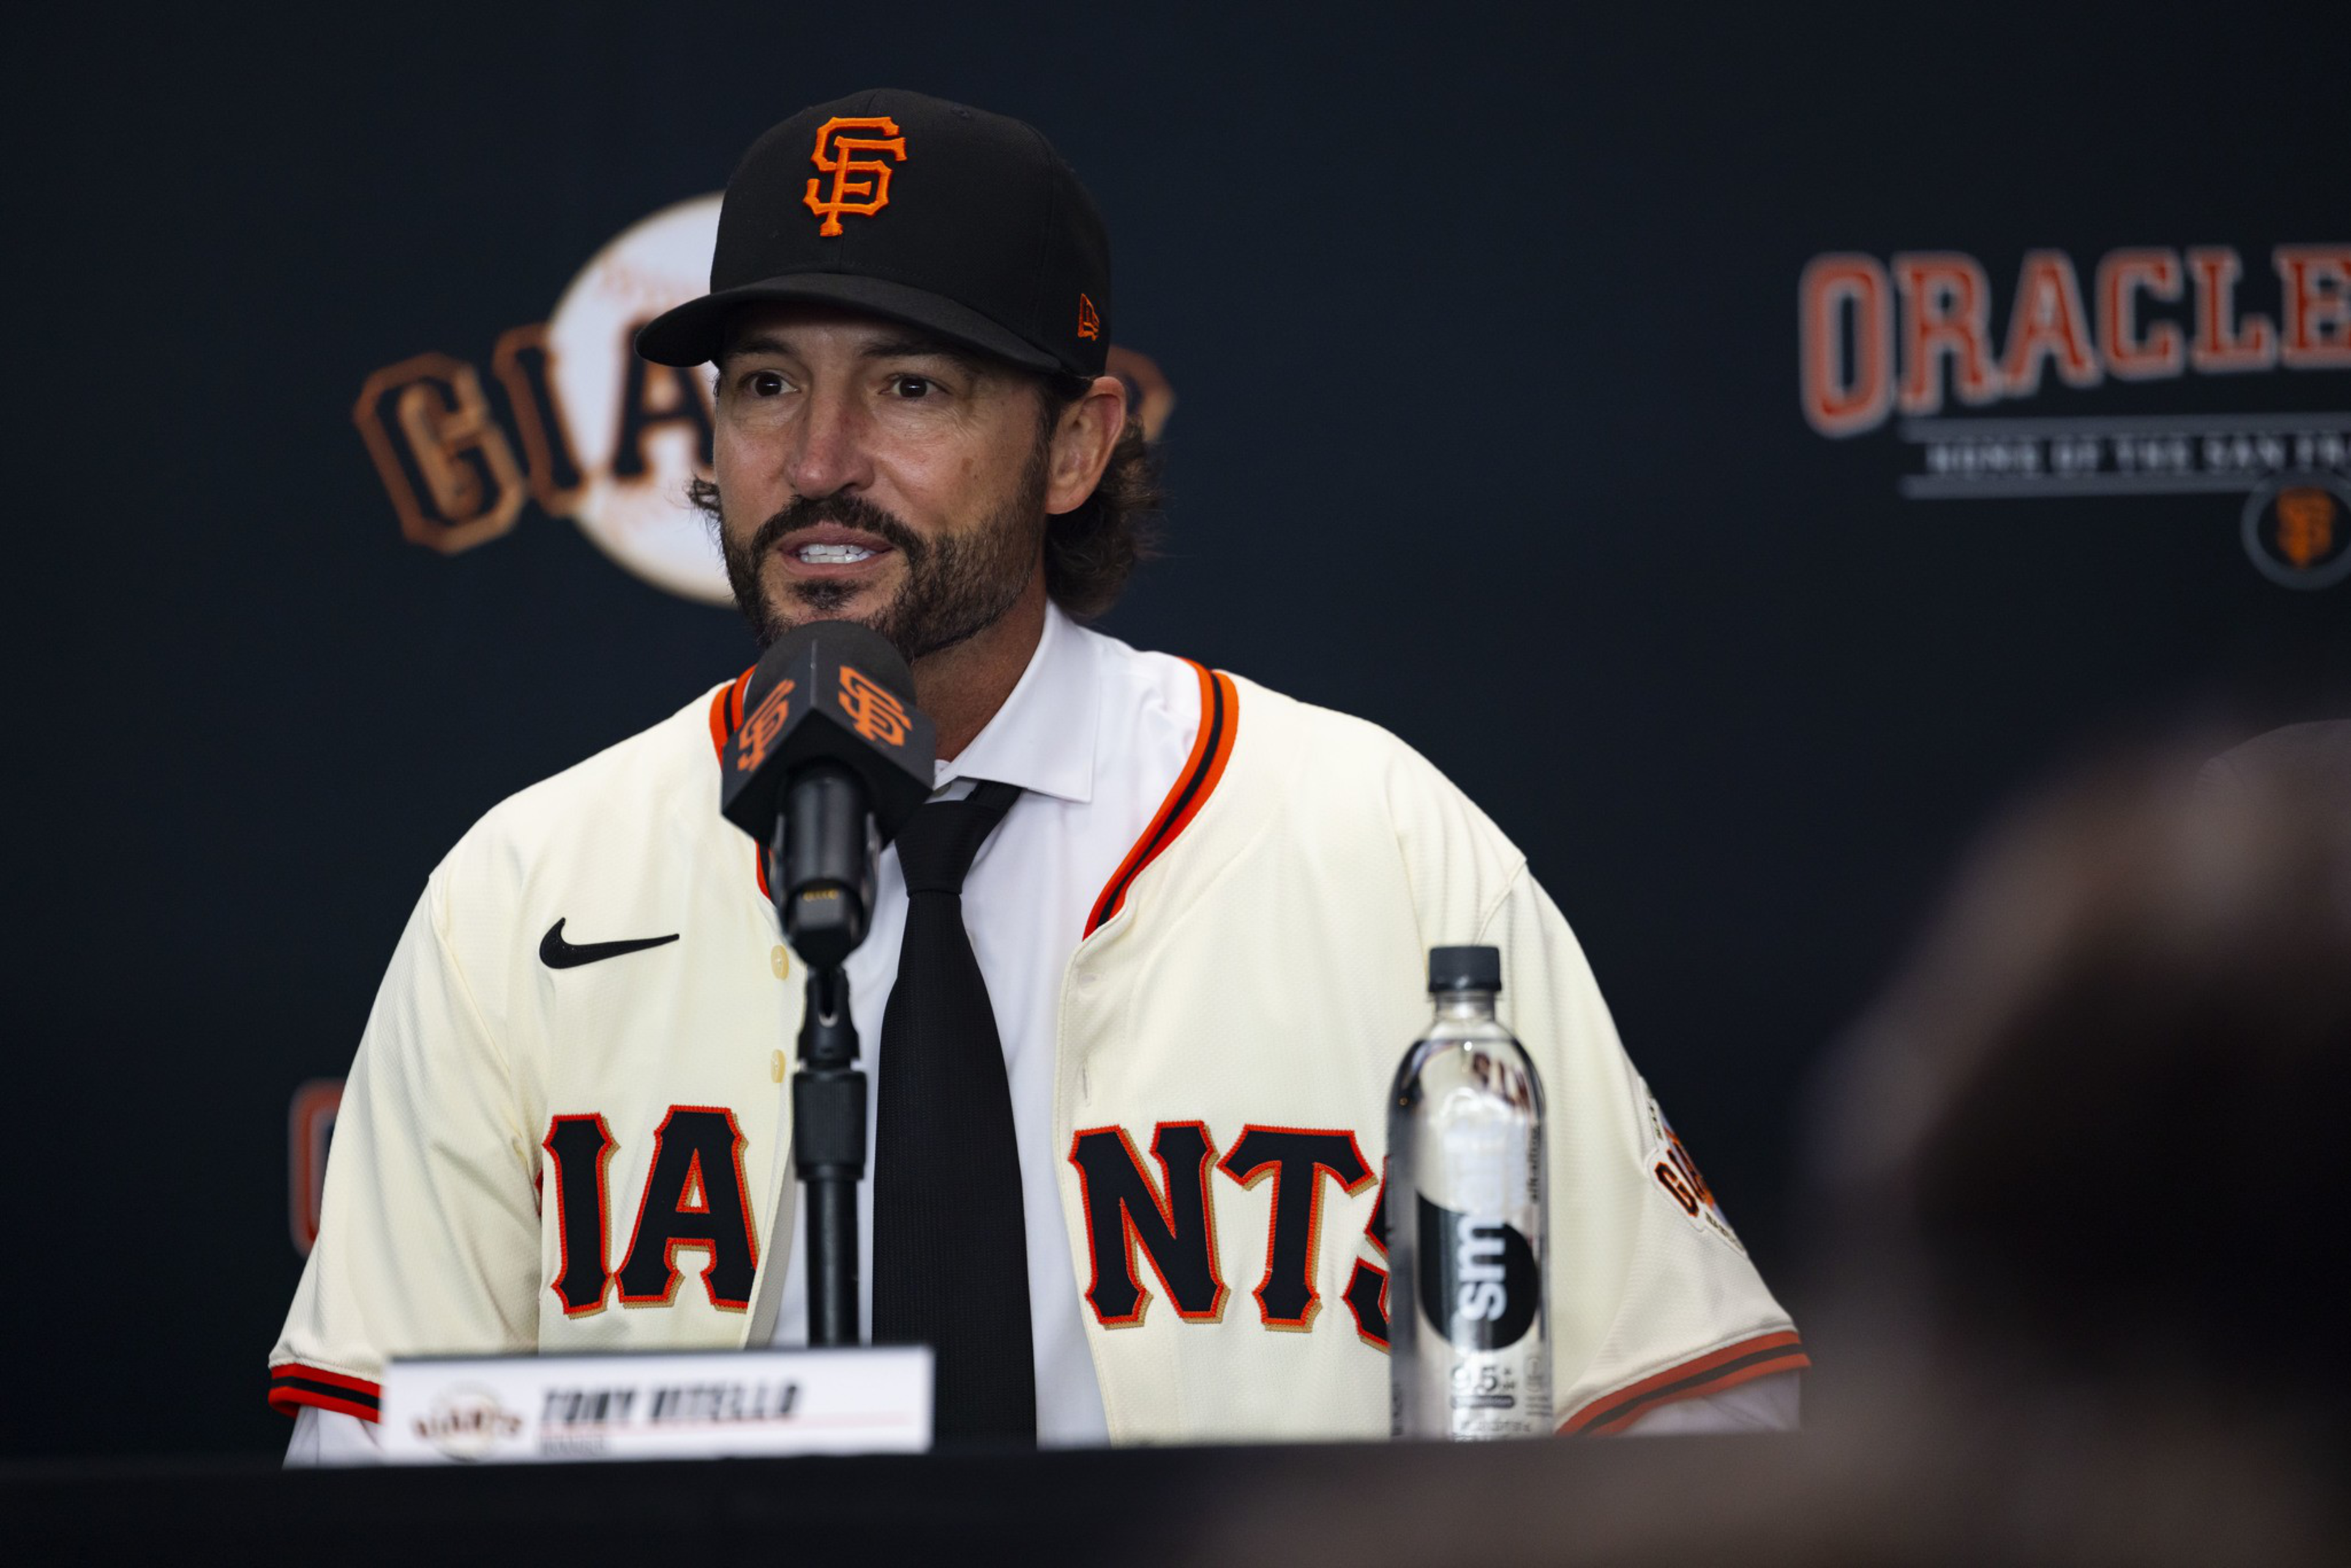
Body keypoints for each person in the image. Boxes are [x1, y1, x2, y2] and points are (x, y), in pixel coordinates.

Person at [270, 88, 1802, 1461]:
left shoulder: (1373, 839)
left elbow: (1685, 1405)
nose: (817, 461)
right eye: (764, 386)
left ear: (1074, 445)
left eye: (911, 388)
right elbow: (374, 1470)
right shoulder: (526, 894)